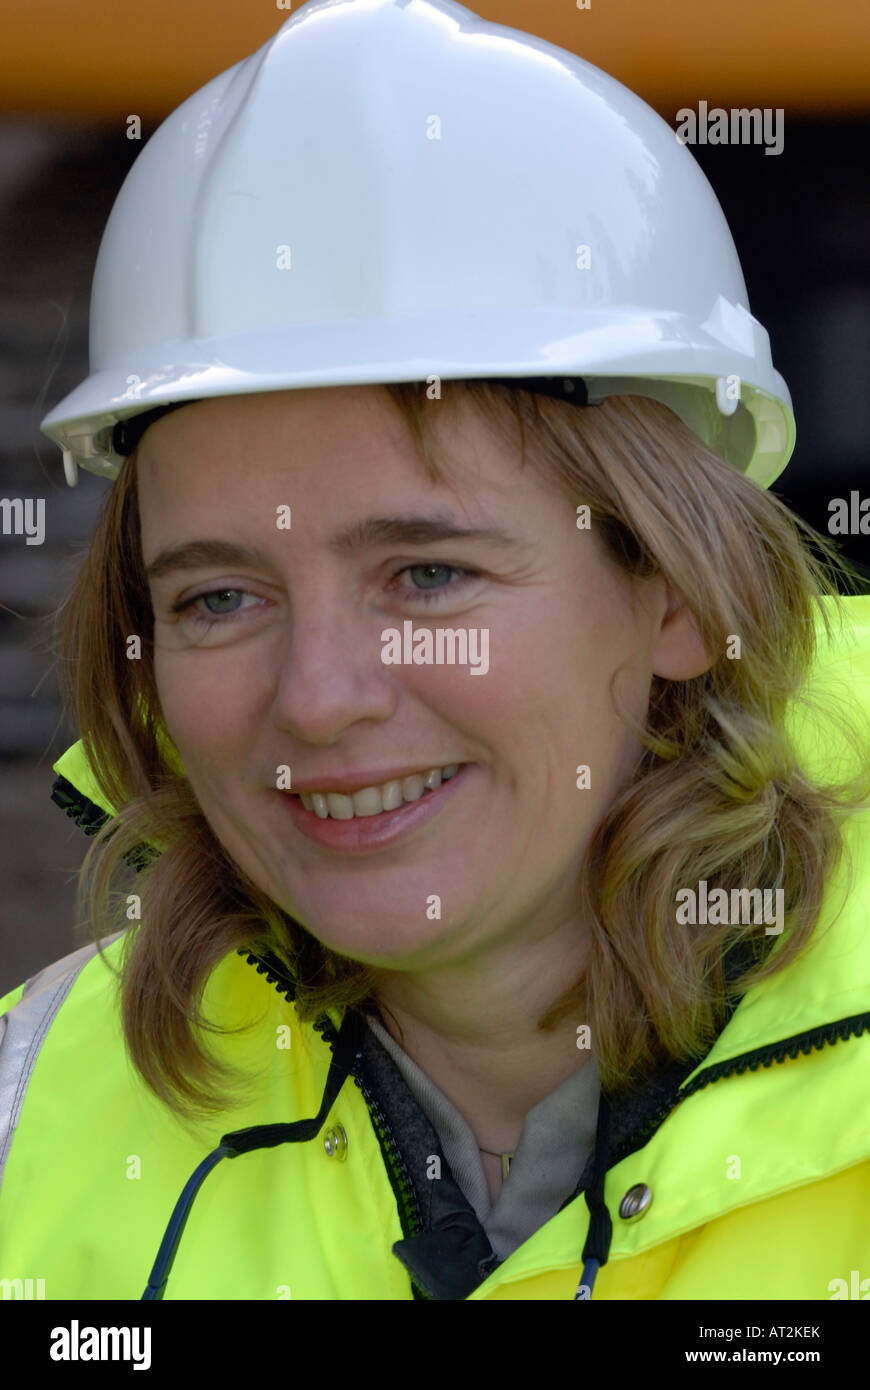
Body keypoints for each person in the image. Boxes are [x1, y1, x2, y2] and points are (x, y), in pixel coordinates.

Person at [1, 0, 869, 1302]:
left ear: (683, 592)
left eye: (426, 572)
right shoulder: (31, 1118)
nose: (319, 699)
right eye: (218, 598)